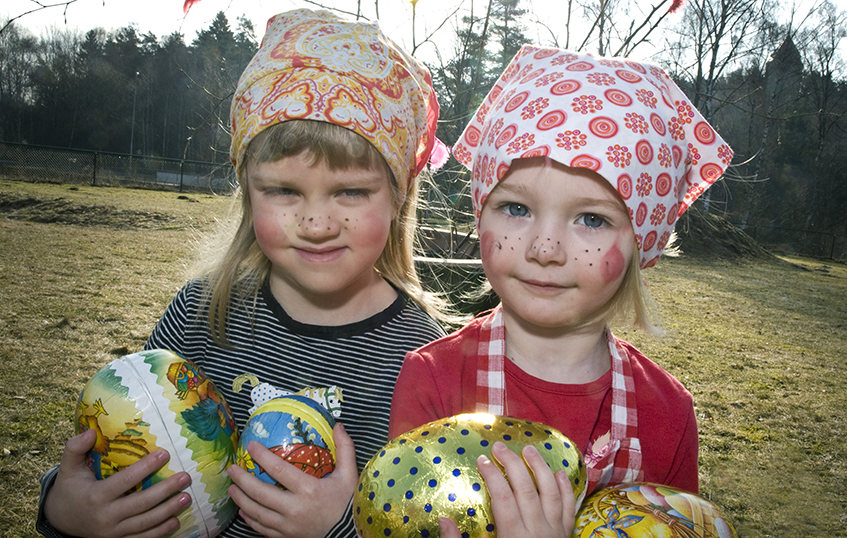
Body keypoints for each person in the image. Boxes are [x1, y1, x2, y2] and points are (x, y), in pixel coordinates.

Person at [36, 9, 449, 538]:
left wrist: (339, 527)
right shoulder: (201, 312)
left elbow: (420, 521)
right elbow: (128, 446)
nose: (318, 223)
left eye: (351, 191)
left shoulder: (423, 359)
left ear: (397, 198)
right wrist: (67, 510)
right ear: (247, 190)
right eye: (283, 190)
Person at [389, 45, 733, 536]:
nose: (545, 248)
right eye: (516, 209)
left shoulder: (668, 414)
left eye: (591, 219)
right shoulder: (434, 382)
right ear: (479, 209)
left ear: (644, 243)